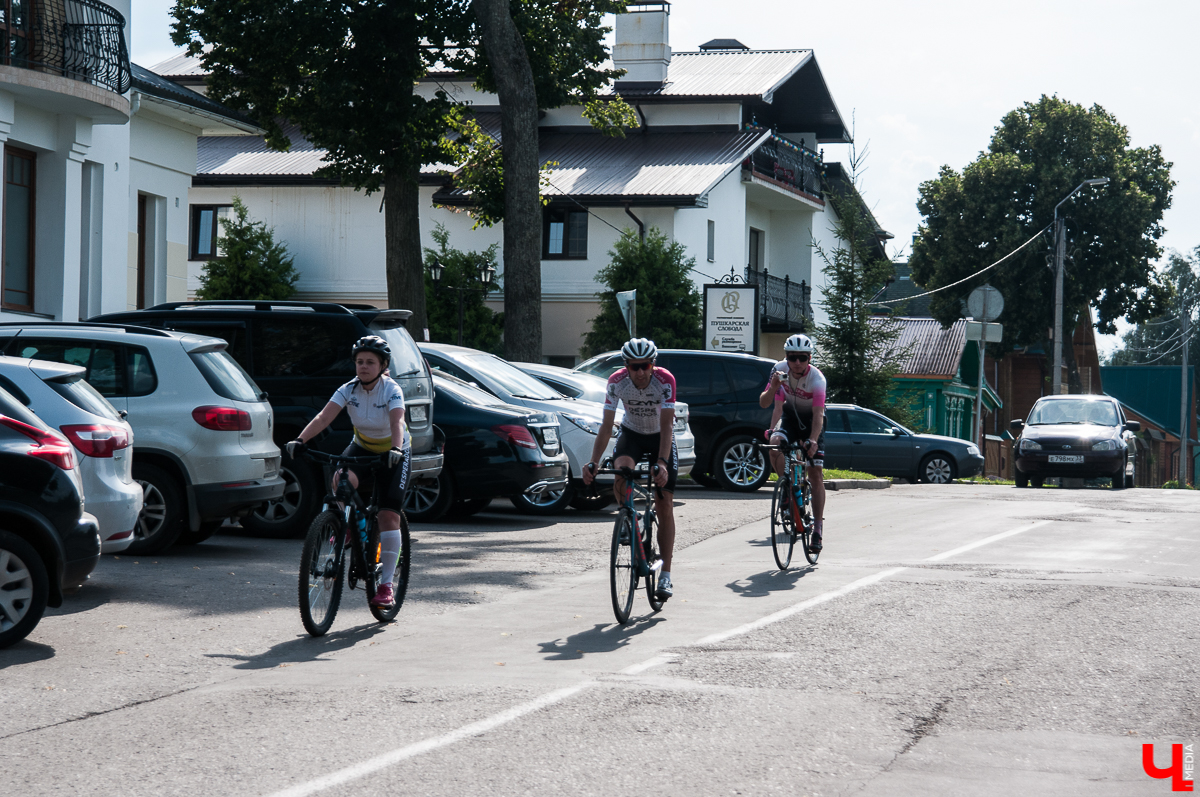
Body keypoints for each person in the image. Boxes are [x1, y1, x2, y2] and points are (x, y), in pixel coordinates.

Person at [285, 336, 410, 607]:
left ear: (382, 365)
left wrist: (396, 450)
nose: (363, 367)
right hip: (363, 446)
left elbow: (397, 421)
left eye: (370, 362)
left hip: (393, 449)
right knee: (340, 482)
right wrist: (300, 440)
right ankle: (345, 524)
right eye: (359, 362)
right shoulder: (348, 389)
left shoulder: (391, 389)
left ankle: (386, 586)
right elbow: (323, 417)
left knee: (389, 515)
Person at [581, 337, 679, 599]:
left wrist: (661, 462)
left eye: (644, 366)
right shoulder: (616, 382)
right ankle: (628, 516)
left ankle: (666, 575)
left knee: (664, 502)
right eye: (633, 366)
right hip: (632, 434)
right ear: (626, 366)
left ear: (652, 365)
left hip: (661, 436)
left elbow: (668, 425)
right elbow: (606, 424)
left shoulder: (665, 380)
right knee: (621, 469)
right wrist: (593, 461)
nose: (639, 372)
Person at [760, 333, 827, 551]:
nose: (797, 363)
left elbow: (818, 415)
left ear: (809, 358)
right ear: (786, 357)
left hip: (811, 421)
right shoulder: (778, 369)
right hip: (789, 418)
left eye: (802, 358)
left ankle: (817, 529)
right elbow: (769, 404)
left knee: (815, 472)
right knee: (774, 444)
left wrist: (813, 440)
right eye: (792, 357)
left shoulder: (817, 379)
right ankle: (787, 488)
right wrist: (773, 386)